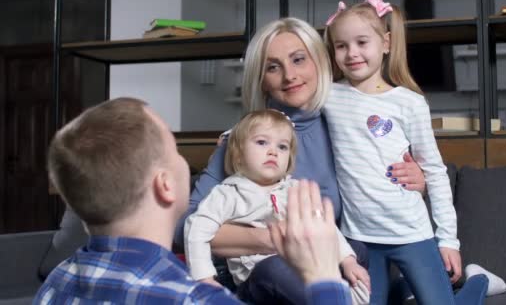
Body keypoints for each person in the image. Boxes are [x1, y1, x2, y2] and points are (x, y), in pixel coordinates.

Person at [175, 16, 428, 300]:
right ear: (261, 80)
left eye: (298, 60)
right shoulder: (244, 142)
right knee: (278, 269)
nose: (289, 76)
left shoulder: (347, 126)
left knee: (361, 250)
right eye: (273, 67)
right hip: (263, 275)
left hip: (330, 260)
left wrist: (416, 181)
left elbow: (376, 198)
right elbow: (183, 225)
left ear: (319, 63)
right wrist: (269, 239)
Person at [34, 97, 355, 305]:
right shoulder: (195, 298)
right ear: (166, 186)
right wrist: (324, 277)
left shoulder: (55, 282)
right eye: (175, 149)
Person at [322, 0, 506, 304]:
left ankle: (479, 280)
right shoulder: (329, 96)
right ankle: (408, 290)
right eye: (341, 46)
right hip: (358, 238)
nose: (352, 53)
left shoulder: (409, 103)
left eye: (362, 42)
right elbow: (288, 117)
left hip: (410, 233)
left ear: (386, 43)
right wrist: (239, 134)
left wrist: (448, 240)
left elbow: (434, 172)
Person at [184, 109, 370, 304]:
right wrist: (204, 278)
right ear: (238, 154)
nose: (273, 151)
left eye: (282, 147)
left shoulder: (295, 189)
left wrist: (347, 259)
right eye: (262, 142)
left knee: (357, 249)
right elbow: (195, 229)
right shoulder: (228, 193)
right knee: (274, 267)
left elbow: (324, 228)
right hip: (259, 279)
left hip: (306, 267)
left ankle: (343, 296)